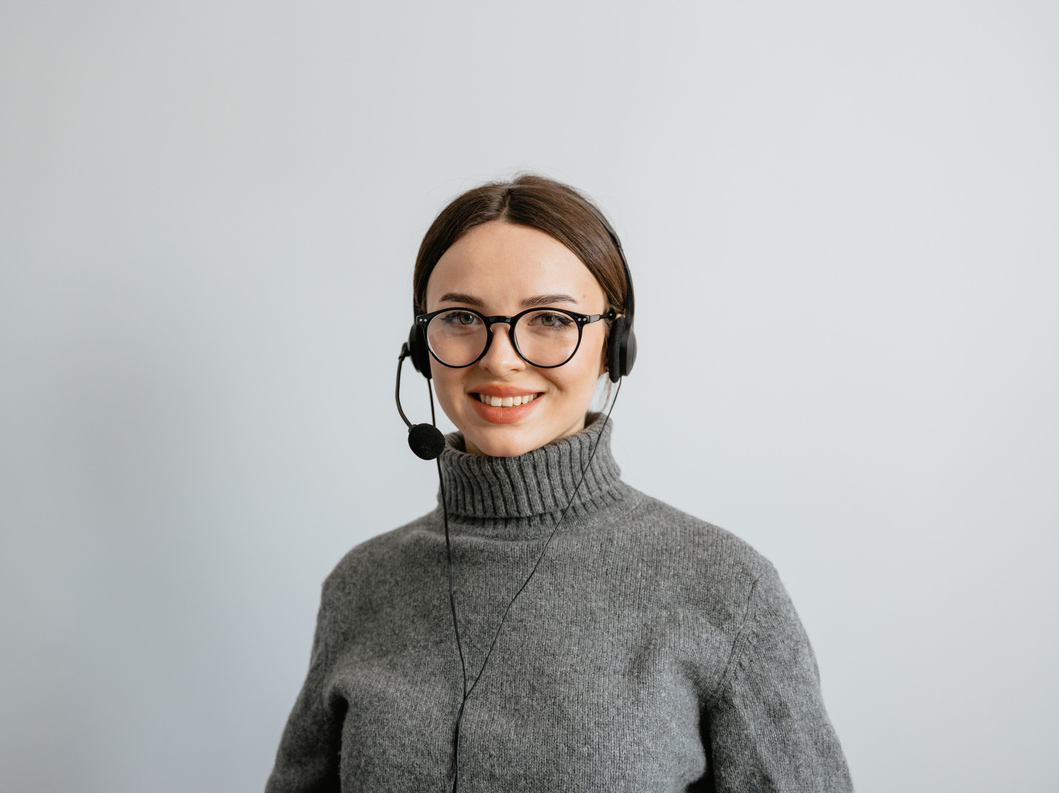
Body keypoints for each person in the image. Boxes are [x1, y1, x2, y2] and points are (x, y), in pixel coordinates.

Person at [266, 174, 852, 792]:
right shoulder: (362, 585)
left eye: (549, 318)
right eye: (462, 316)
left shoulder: (726, 588)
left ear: (613, 347)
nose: (500, 358)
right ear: (420, 346)